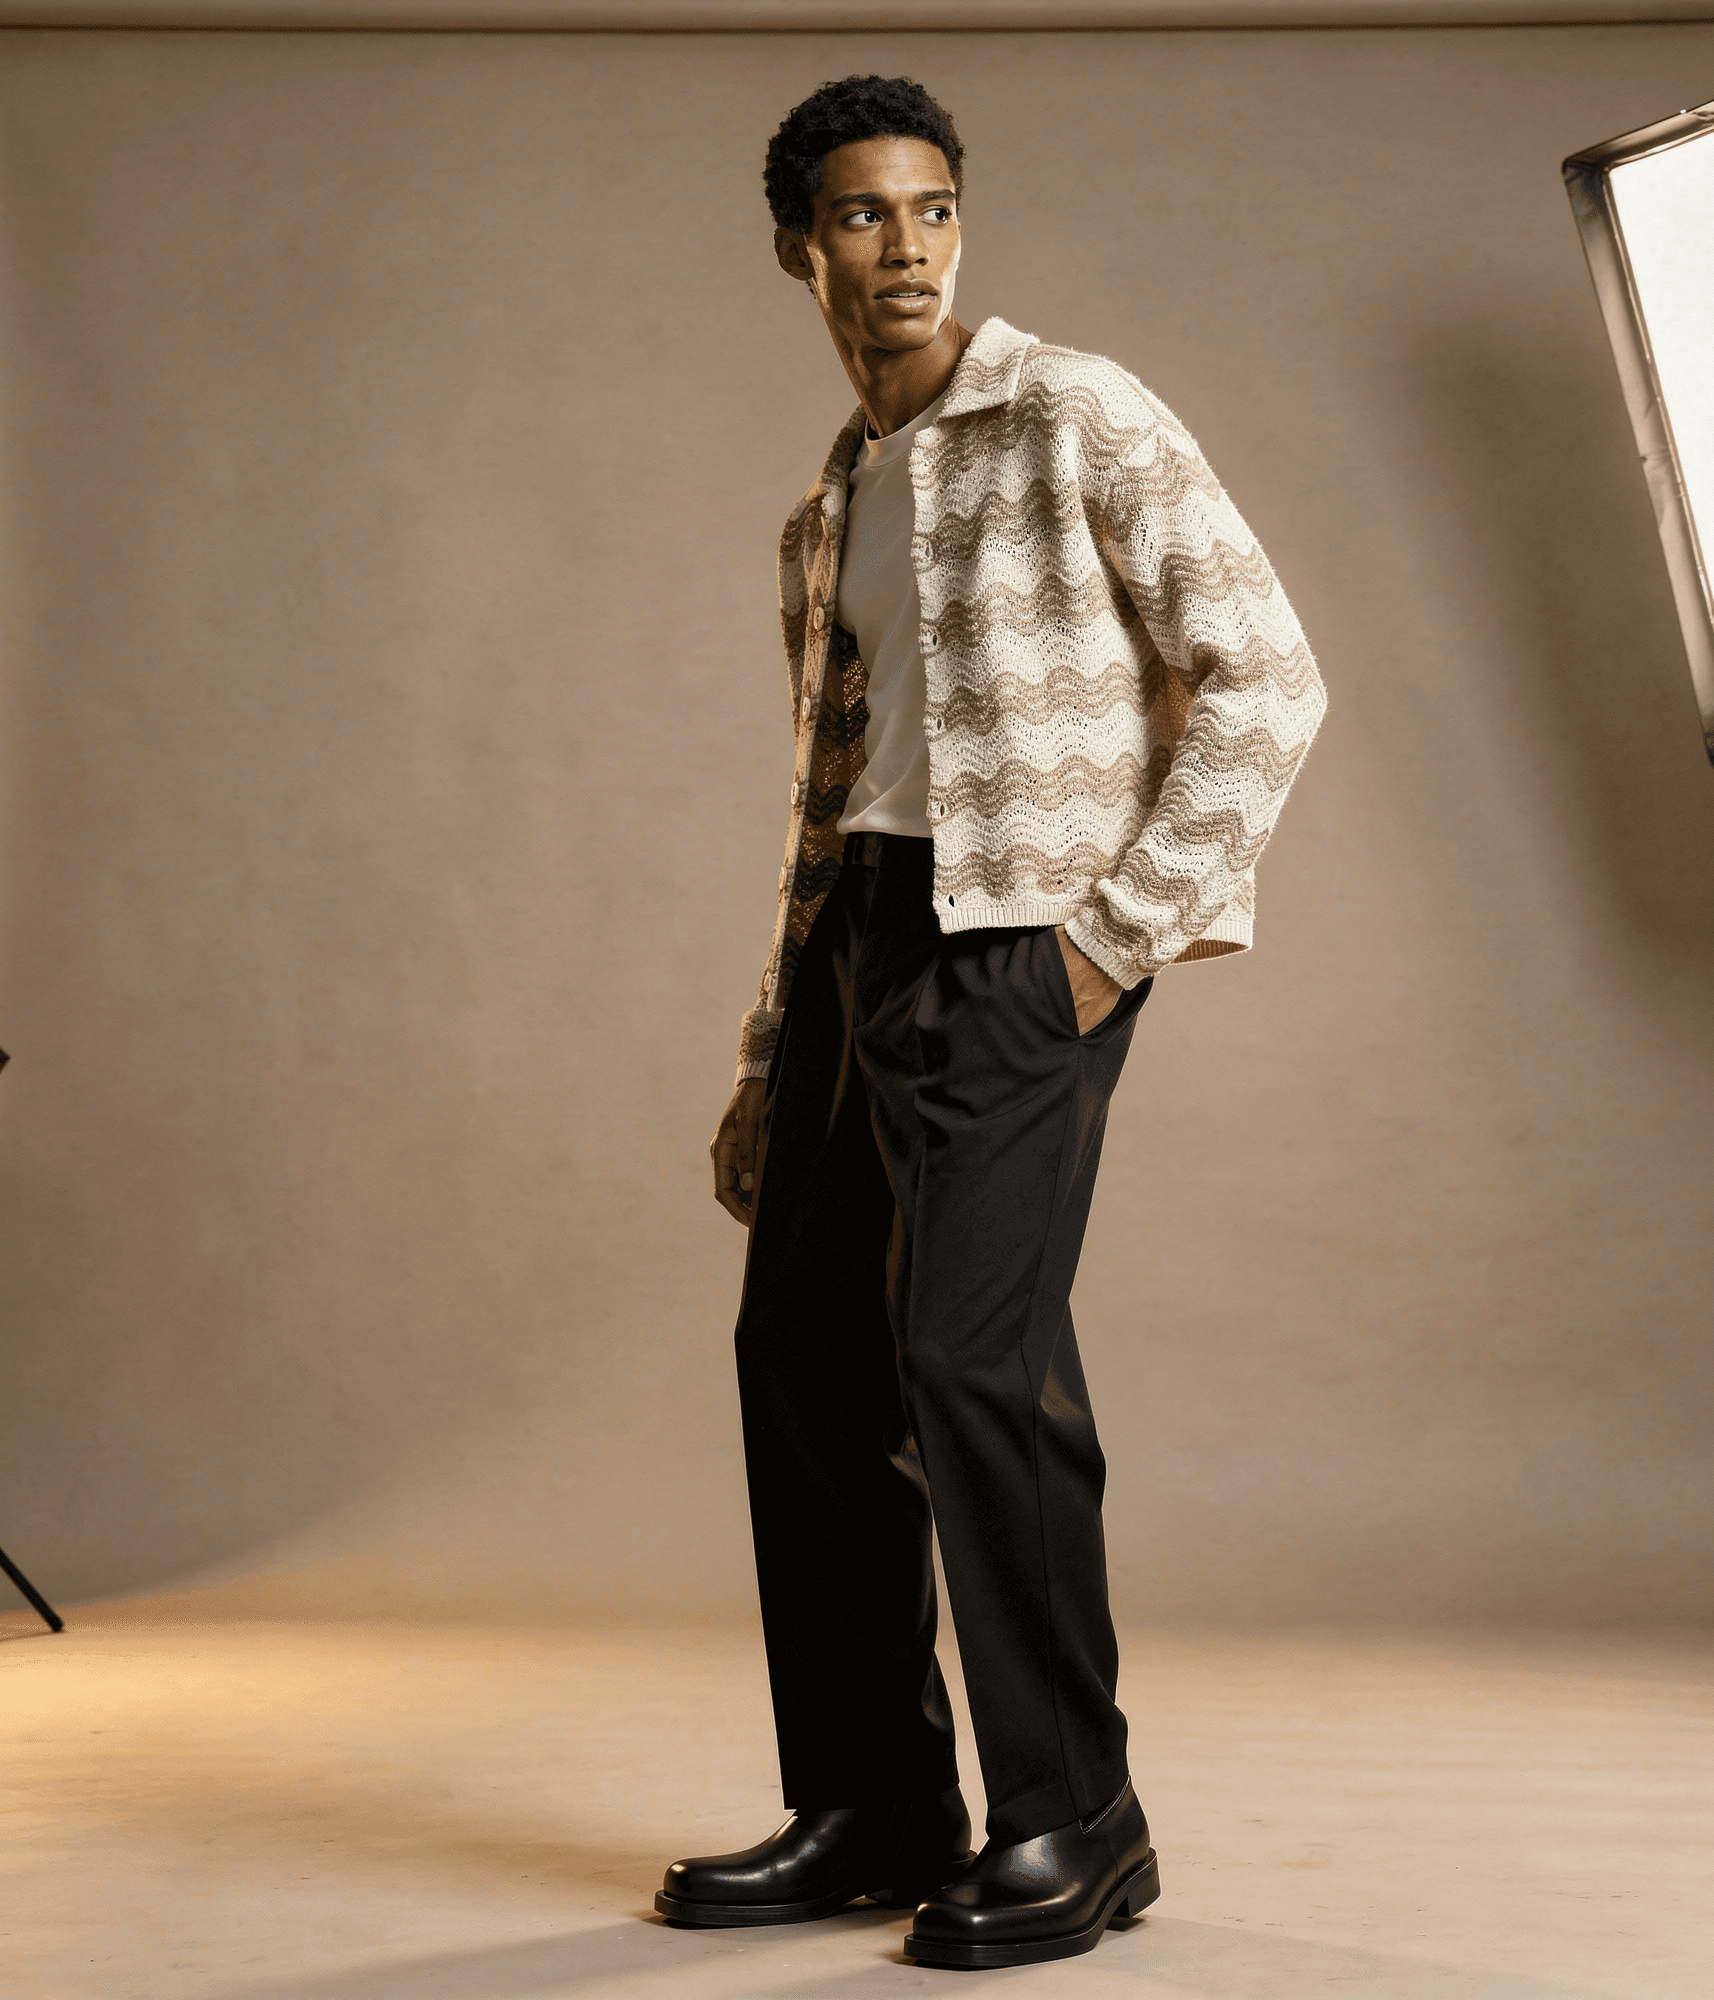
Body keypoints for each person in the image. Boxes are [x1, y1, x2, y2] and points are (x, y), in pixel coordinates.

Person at [655, 73, 1327, 1973]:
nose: (906, 249)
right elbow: (824, 813)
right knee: (802, 1360)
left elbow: (1268, 678)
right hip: (861, 941)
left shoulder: (1076, 413)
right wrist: (771, 1054)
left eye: (932, 209)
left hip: (1019, 940)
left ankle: (1076, 1821)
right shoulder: (827, 509)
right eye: (861, 216)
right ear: (797, 249)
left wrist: (1111, 943)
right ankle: (876, 1803)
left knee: (972, 1363)